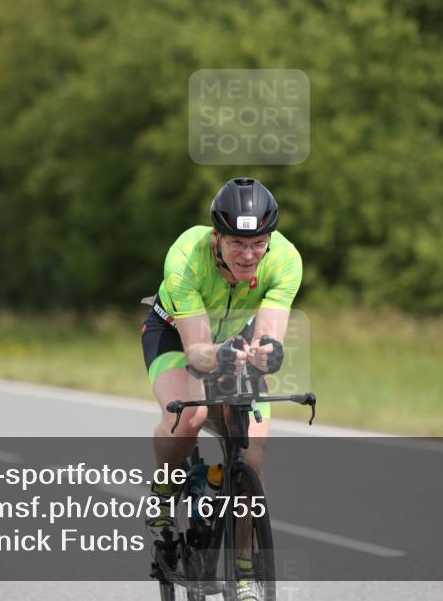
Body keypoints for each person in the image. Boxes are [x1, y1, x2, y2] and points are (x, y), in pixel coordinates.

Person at [141, 177, 302, 599]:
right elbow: (197, 352)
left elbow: (269, 333)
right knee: (189, 414)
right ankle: (163, 488)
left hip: (236, 338)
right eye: (237, 243)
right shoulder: (186, 259)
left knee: (252, 451)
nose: (249, 254)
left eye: (258, 242)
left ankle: (246, 572)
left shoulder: (285, 260)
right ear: (217, 237)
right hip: (176, 335)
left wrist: (269, 352)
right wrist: (223, 355)